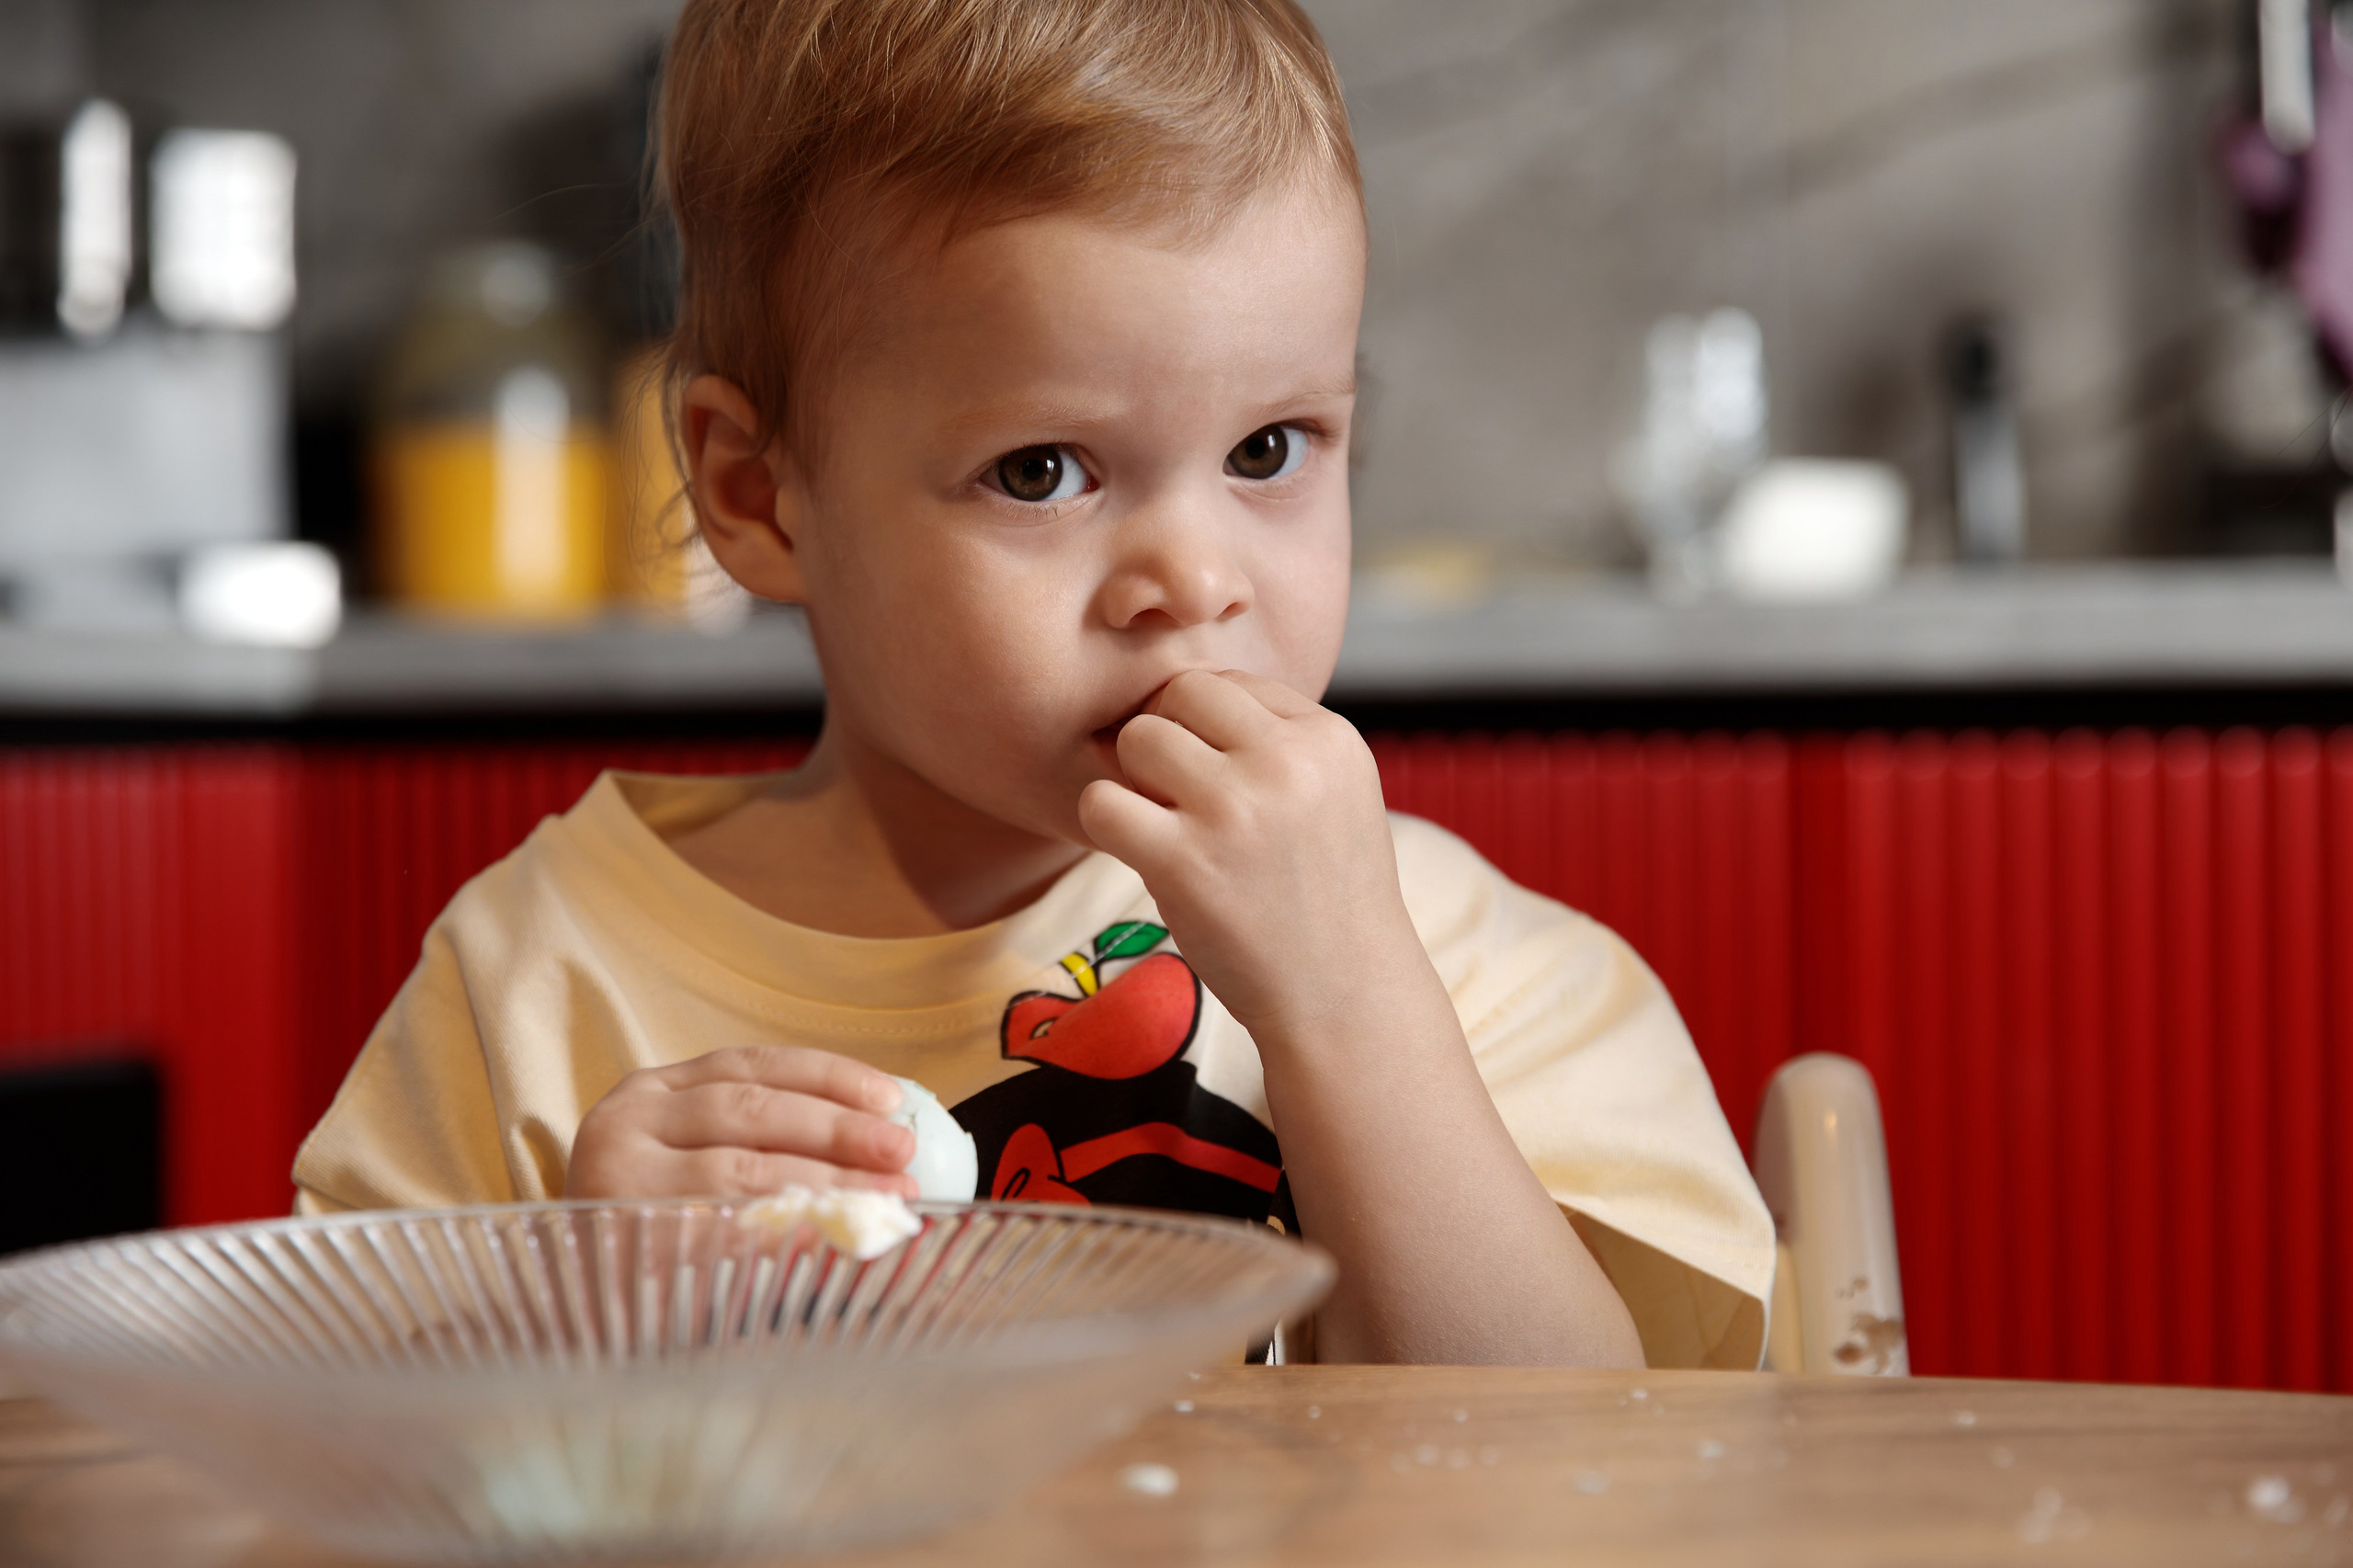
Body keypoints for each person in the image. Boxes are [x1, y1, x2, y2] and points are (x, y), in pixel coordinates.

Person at [294, 0, 1773, 1369]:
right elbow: (325, 1469)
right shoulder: (539, 984)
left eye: (1270, 449)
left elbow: (1590, 1468)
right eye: (1043, 471)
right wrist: (570, 1311)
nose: (1194, 581)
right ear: (758, 495)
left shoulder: (1467, 968)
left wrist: (1350, 1007)